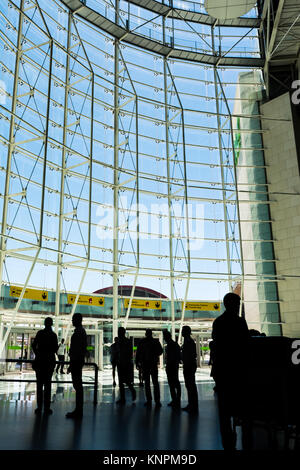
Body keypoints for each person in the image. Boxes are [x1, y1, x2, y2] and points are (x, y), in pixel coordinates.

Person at [212, 292, 250, 450]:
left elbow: (217, 343)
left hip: (223, 370)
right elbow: (246, 344)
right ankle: (245, 436)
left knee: (224, 409)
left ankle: (227, 438)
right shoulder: (240, 322)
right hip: (238, 370)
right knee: (242, 404)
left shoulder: (219, 322)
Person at [32, 317, 58, 415]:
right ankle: (47, 408)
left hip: (39, 362)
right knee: (48, 385)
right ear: (51, 324)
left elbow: (34, 345)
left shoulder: (40, 333)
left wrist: (38, 354)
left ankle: (39, 407)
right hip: (49, 362)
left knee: (39, 385)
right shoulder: (53, 335)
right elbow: (55, 348)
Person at [66, 313, 87, 419]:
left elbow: (76, 350)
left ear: (78, 320)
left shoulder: (79, 332)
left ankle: (79, 410)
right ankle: (79, 409)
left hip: (76, 361)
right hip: (77, 361)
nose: (72, 321)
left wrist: (72, 363)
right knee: (77, 385)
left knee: (77, 385)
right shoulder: (81, 331)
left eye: (74, 319)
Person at [136, 329, 163, 408]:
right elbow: (160, 351)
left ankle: (149, 400)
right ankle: (157, 401)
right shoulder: (155, 342)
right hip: (153, 364)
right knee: (155, 383)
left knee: (147, 383)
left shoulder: (142, 342)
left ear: (146, 334)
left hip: (145, 364)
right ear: (151, 334)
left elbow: (138, 353)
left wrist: (137, 362)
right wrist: (154, 354)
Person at [115, 327, 136, 404]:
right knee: (122, 381)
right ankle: (123, 397)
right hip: (122, 363)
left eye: (119, 331)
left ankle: (131, 392)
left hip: (124, 363)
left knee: (125, 380)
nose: (118, 333)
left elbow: (127, 353)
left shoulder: (124, 342)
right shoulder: (124, 341)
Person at [181, 325, 198, 413]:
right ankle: (192, 404)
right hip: (189, 365)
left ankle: (193, 405)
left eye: (183, 330)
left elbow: (191, 355)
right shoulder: (189, 341)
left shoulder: (189, 342)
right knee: (190, 385)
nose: (182, 332)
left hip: (189, 366)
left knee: (190, 385)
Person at [163, 330, 181, 409]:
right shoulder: (174, 344)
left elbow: (173, 357)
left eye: (164, 336)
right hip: (173, 366)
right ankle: (176, 399)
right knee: (174, 383)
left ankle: (175, 400)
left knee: (173, 383)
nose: (164, 338)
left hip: (171, 366)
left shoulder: (171, 345)